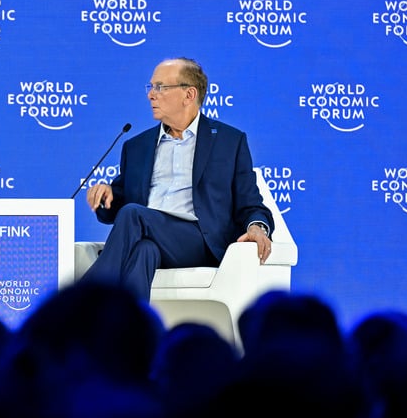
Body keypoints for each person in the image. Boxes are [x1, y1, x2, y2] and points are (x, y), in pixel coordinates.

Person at [78, 56, 274, 303]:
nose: (151, 95)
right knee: (143, 252)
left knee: (133, 215)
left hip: (200, 241)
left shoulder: (228, 142)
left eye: (160, 87)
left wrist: (257, 227)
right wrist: (107, 195)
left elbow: (251, 204)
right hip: (149, 236)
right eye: (150, 87)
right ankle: (130, 336)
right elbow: (118, 205)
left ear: (189, 95)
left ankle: (80, 305)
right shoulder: (136, 146)